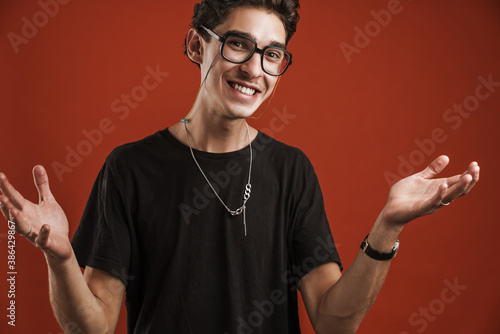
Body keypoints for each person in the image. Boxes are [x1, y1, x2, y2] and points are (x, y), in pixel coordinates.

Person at [0, 1, 480, 333]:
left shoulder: (292, 170)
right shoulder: (130, 169)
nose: (255, 69)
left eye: (272, 55)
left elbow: (335, 322)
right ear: (196, 46)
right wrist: (61, 258)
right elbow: (94, 326)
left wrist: (386, 229)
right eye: (237, 45)